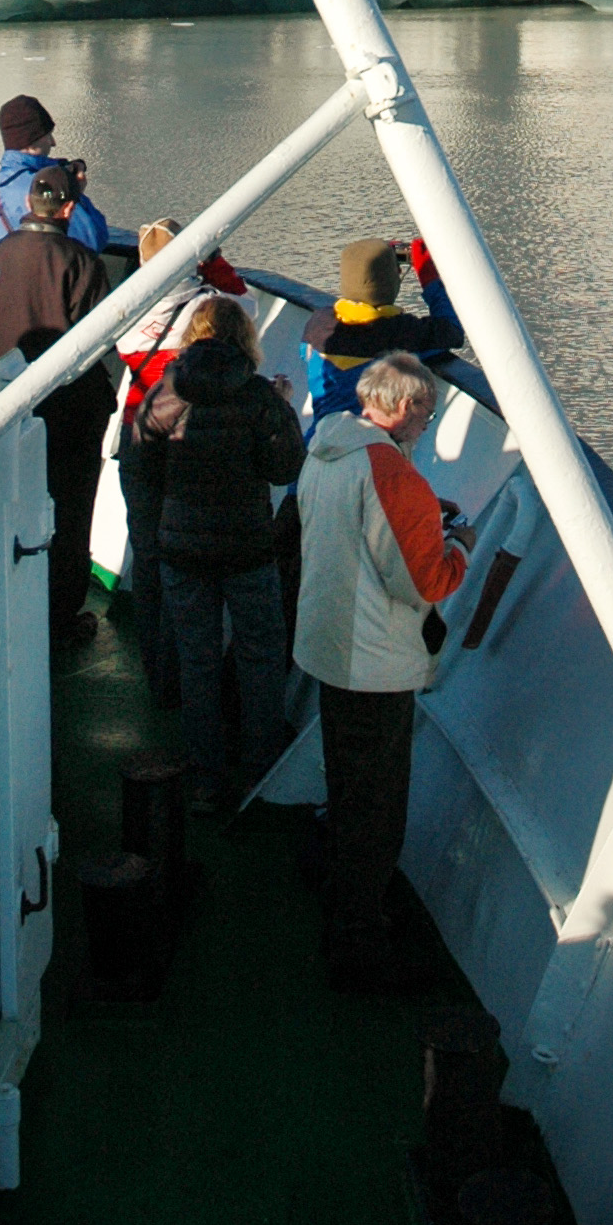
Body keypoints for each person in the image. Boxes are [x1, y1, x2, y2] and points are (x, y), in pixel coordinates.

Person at [294, 352, 473, 992]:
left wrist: (424, 513)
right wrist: (458, 546)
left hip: (327, 650)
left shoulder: (326, 447)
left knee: (346, 791)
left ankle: (338, 907)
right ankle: (358, 948)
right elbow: (425, 578)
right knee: (376, 812)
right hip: (374, 665)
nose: (426, 422)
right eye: (423, 411)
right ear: (400, 408)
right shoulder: (390, 472)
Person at [131, 297, 304, 814]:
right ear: (243, 338)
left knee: (197, 659)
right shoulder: (259, 397)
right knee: (261, 654)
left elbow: (142, 465)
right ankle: (261, 768)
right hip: (248, 546)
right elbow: (283, 468)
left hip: (182, 548)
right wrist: (285, 407)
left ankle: (206, 777)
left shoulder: (165, 394)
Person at [0, 164, 116, 651]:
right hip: (71, 415)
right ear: (69, 209)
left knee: (6, 505)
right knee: (70, 515)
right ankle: (59, 617)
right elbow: (98, 342)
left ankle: (5, 605)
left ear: (30, 205)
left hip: (4, 409)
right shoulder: (82, 262)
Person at [114, 219, 256, 705]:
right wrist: (212, 262)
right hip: (183, 443)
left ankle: (158, 675)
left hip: (137, 438)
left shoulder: (125, 309)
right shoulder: (207, 305)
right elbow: (246, 304)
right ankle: (192, 676)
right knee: (182, 564)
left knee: (149, 560)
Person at [301, 237, 463, 433]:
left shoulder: (318, 323)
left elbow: (306, 353)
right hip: (370, 445)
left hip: (318, 441)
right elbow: (452, 331)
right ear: (392, 280)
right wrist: (429, 278)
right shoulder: (402, 333)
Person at [0, 94, 109, 266]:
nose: (53, 143)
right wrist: (75, 195)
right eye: (48, 135)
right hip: (34, 288)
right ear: (33, 142)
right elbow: (92, 240)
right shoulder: (46, 188)